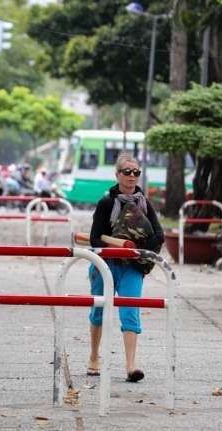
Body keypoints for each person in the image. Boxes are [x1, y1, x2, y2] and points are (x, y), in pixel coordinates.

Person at [86, 153, 164, 383]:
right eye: (127, 171)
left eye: (136, 172)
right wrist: (114, 248)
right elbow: (94, 238)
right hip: (106, 264)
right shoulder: (106, 202)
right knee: (98, 311)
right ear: (117, 174)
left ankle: (131, 366)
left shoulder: (145, 203)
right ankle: (93, 357)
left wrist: (137, 251)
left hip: (132, 267)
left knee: (130, 312)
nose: (132, 176)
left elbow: (159, 235)